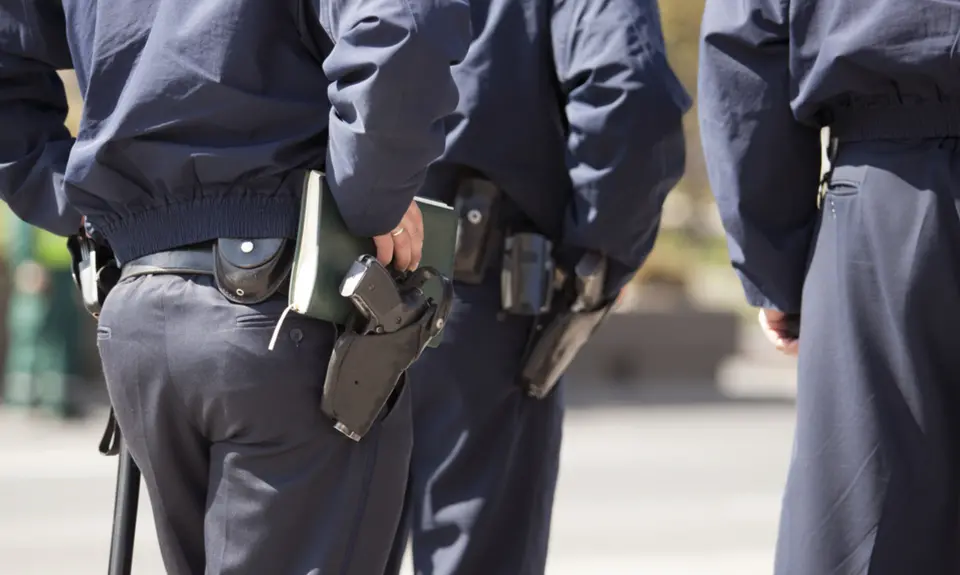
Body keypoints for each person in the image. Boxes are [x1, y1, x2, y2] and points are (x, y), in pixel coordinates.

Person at [0, 1, 470, 574]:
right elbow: (400, 26)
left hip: (144, 308)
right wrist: (372, 198)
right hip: (285, 318)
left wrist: (68, 195)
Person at [384, 0, 691, 573]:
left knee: (334, 546)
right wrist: (595, 259)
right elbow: (631, 94)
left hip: (350, 277)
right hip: (484, 297)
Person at [699, 1, 960, 573]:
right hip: (886, 175)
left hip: (885, 204)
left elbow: (745, 51)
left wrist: (779, 269)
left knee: (869, 514)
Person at [2, 209, 84, 418]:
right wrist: (26, 260)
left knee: (62, 336)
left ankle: (56, 401)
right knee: (32, 331)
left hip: (65, 271)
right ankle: (24, 400)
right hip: (40, 269)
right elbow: (24, 220)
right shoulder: (39, 183)